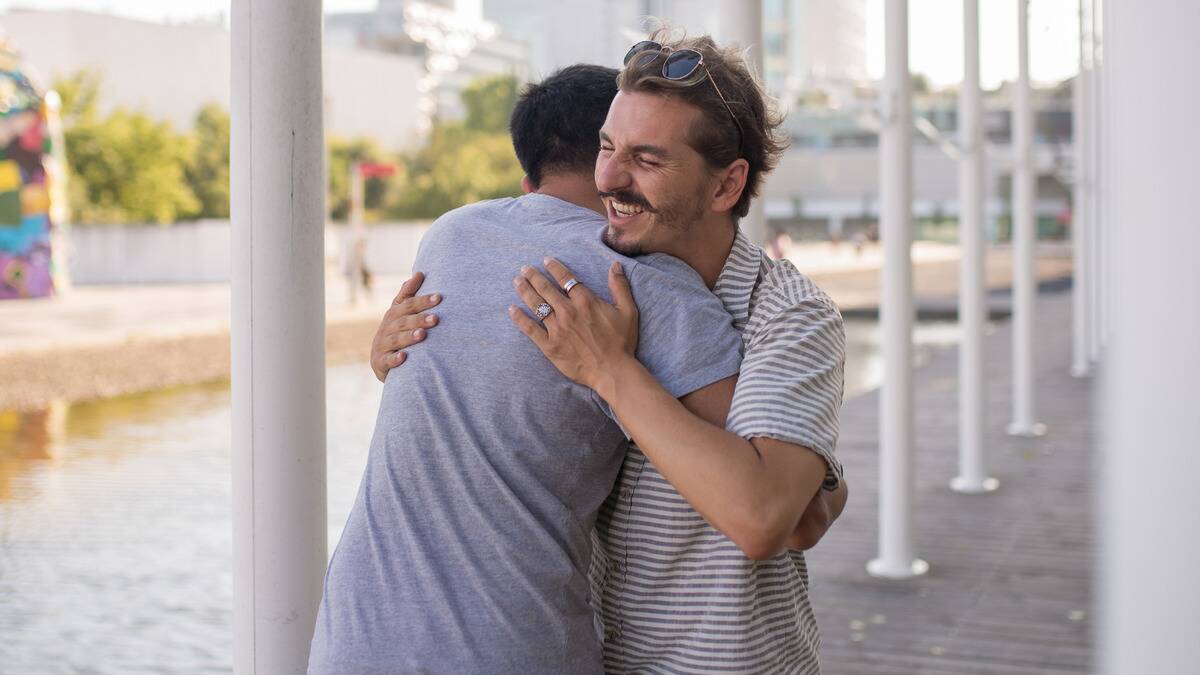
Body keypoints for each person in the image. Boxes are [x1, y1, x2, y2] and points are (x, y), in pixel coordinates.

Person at [373, 32, 848, 673]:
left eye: (646, 160)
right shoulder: (585, 284)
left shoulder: (789, 317)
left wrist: (611, 371)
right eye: (606, 146)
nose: (608, 180)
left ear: (726, 186)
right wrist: (394, 357)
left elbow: (778, 519)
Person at [308, 64, 745, 674]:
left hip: (352, 639)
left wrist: (384, 362)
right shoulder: (652, 288)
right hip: (508, 647)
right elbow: (764, 484)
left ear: (527, 177)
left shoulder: (450, 235)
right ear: (610, 163)